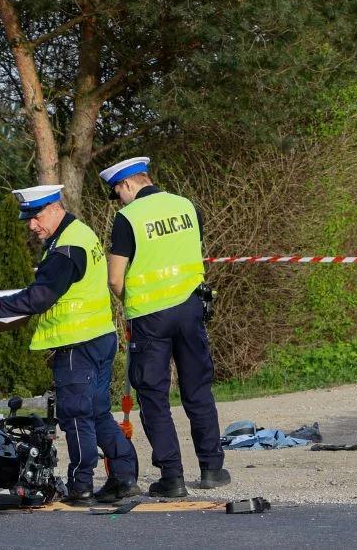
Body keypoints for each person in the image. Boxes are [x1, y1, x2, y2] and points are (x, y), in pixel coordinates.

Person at [0, 184, 139, 506]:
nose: (31, 225)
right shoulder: (78, 234)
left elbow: (40, 297)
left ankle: (81, 485)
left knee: (77, 416)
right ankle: (124, 477)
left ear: (54, 208)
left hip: (76, 345)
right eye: (28, 218)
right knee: (97, 413)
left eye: (36, 216)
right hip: (99, 338)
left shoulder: (66, 249)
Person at [99, 157, 230, 497]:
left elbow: (115, 278)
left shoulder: (127, 218)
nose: (119, 200)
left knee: (154, 396)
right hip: (191, 308)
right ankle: (212, 468)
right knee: (197, 388)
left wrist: (129, 300)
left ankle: (172, 477)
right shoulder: (187, 206)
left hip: (151, 316)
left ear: (126, 185)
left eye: (118, 193)